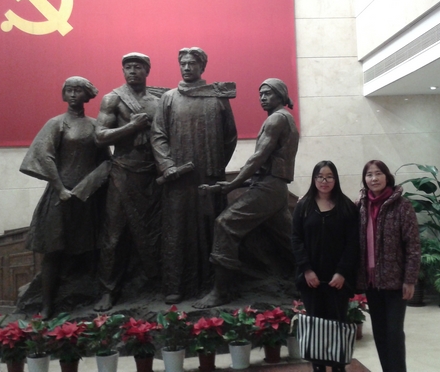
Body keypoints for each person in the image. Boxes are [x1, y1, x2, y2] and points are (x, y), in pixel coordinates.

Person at [194, 78, 299, 309]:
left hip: (269, 188)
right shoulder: (282, 118)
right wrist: (233, 183)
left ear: (281, 96)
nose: (263, 98)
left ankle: (221, 292)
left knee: (225, 224)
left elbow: (258, 158)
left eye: (268, 93)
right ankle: (313, 280)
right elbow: (267, 166)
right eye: (261, 94)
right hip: (274, 187)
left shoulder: (277, 119)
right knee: (289, 239)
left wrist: (233, 184)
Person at [151, 47, 237, 304]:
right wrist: (167, 165)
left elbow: (230, 136)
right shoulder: (169, 98)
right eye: (183, 63)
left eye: (192, 63)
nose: (187, 67)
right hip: (178, 178)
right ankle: (176, 285)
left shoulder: (217, 98)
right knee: (176, 230)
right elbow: (158, 135)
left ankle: (212, 285)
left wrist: (216, 165)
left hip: (208, 178)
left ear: (202, 67)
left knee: (210, 229)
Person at [20, 76, 110, 319]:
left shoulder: (95, 126)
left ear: (87, 95)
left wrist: (91, 185)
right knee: (53, 250)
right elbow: (44, 155)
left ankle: (89, 299)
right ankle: (47, 304)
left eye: (78, 90)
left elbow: (105, 161)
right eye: (69, 90)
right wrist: (60, 188)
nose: (72, 94)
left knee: (91, 249)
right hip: (61, 196)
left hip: (87, 198)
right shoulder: (56, 123)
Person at [93, 52, 163, 312]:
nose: (132, 71)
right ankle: (108, 291)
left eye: (138, 67)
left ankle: (156, 284)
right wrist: (131, 127)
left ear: (147, 71)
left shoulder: (158, 101)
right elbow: (100, 137)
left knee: (155, 231)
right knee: (114, 235)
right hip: (123, 172)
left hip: (152, 174)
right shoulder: (113, 99)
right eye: (128, 67)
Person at [291, 160, 359, 372]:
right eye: (320, 176)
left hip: (338, 281)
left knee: (337, 323)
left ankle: (338, 366)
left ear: (335, 179)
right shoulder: (303, 206)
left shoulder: (347, 207)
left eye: (329, 176)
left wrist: (342, 273)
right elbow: (296, 239)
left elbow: (353, 244)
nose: (324, 181)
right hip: (310, 280)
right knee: (315, 325)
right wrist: (307, 269)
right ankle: (318, 366)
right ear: (314, 179)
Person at [356, 160, 421, 372]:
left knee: (394, 333)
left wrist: (410, 280)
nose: (374, 178)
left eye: (378, 173)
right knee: (380, 333)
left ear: (387, 177)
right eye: (369, 175)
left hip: (395, 282)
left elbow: (413, 245)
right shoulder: (360, 206)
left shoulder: (402, 205)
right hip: (371, 283)